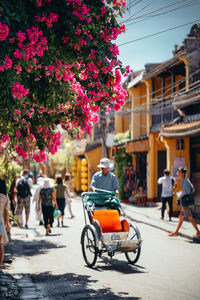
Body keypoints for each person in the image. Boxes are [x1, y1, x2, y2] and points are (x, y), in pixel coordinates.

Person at [168, 167, 200, 237]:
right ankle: (176, 232)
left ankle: (198, 232)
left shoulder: (184, 181)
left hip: (185, 203)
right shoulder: (186, 180)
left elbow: (185, 191)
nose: (178, 173)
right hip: (185, 202)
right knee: (181, 217)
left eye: (179, 172)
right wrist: (186, 193)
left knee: (190, 218)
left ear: (183, 173)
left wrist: (179, 195)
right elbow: (193, 189)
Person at [0, 179, 9, 272]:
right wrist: (7, 224)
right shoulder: (5, 197)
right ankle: (0, 266)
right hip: (0, 223)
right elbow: (6, 212)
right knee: (1, 245)